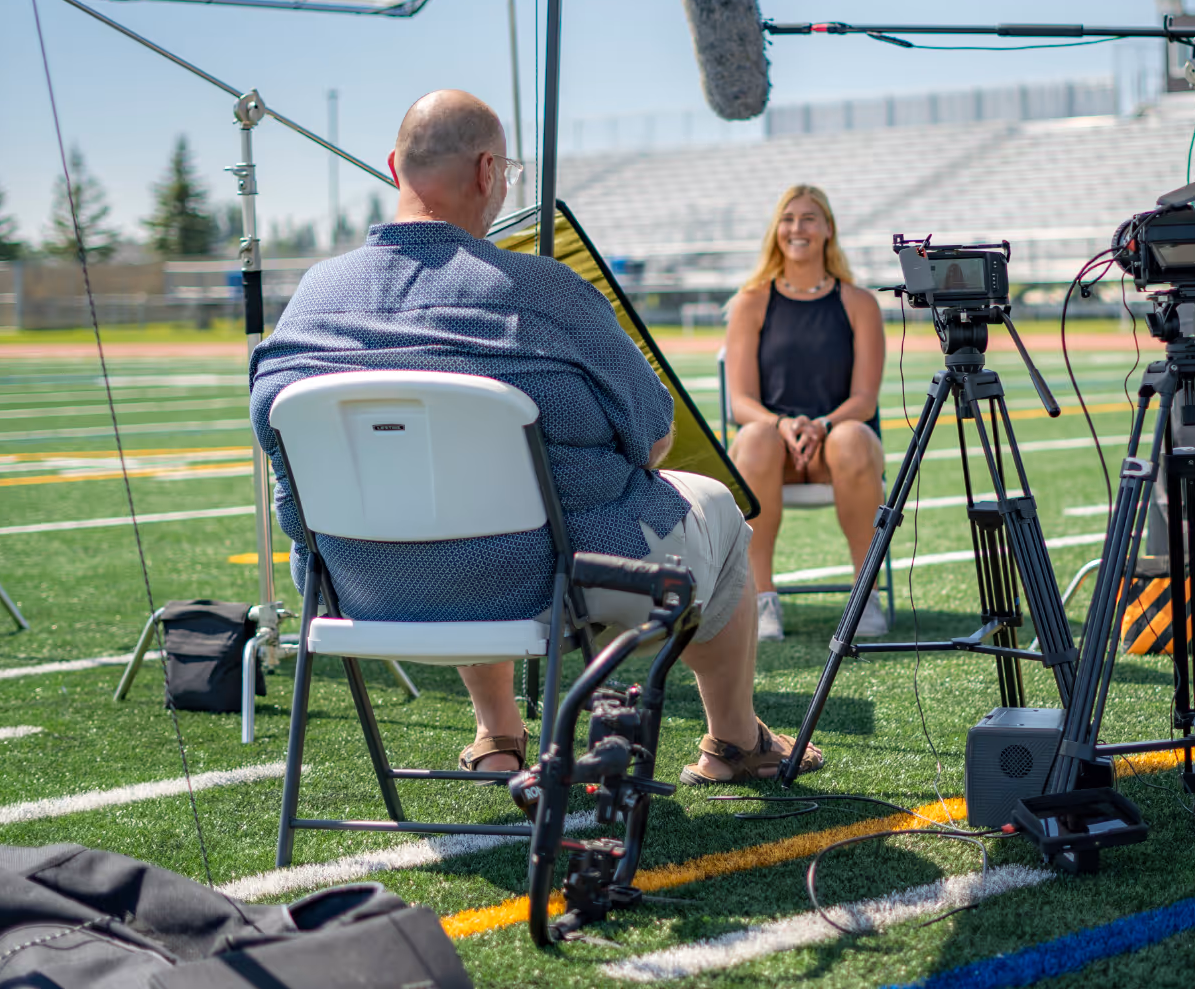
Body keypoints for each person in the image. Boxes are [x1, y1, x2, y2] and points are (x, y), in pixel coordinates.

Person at [250, 90, 821, 785]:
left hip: (362, 587)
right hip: (551, 585)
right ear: (489, 171)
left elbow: (278, 449)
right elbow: (652, 433)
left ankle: (497, 731)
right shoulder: (543, 290)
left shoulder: (312, 296)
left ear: (396, 167)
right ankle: (733, 740)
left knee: (440, 507)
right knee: (719, 508)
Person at [724, 185, 887, 642]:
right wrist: (782, 424)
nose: (798, 228)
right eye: (789, 218)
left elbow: (864, 399)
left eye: (810, 218)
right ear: (777, 230)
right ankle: (761, 599)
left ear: (828, 230)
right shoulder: (751, 302)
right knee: (755, 436)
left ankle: (865, 596)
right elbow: (742, 402)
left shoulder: (859, 303)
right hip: (771, 452)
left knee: (853, 436)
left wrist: (823, 424)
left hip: (835, 450)